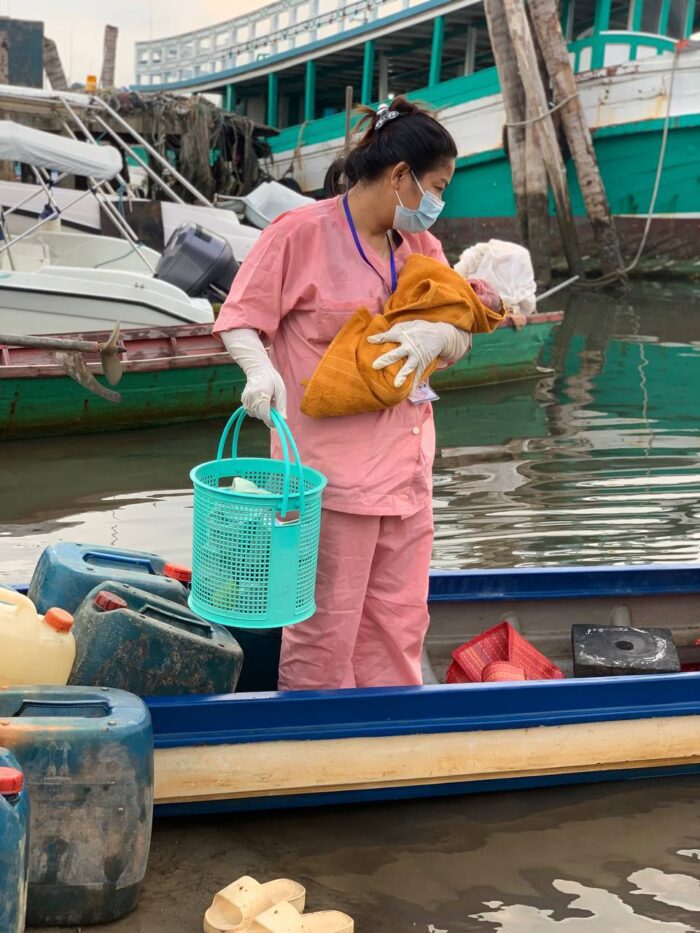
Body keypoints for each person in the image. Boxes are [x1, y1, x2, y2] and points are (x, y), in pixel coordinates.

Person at [214, 97, 498, 691]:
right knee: (324, 630)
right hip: (329, 485)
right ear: (400, 177)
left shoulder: (420, 249)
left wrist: (440, 336)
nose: (439, 204)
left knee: (399, 623)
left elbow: (463, 325)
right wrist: (257, 370)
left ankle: (388, 743)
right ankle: (313, 752)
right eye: (436, 187)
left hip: (407, 475)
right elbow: (241, 316)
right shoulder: (300, 234)